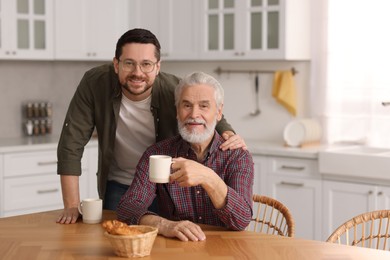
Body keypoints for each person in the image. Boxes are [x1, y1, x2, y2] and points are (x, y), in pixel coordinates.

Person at [56, 28, 247, 224]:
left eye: (146, 64)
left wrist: (229, 134)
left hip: (166, 185)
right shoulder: (95, 84)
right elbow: (71, 144)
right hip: (118, 183)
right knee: (121, 240)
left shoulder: (173, 88)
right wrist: (71, 205)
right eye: (129, 63)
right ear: (116, 64)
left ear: (157, 67)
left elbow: (205, 110)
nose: (137, 73)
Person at [117, 71, 254, 242]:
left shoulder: (237, 156)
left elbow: (241, 220)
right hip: (175, 248)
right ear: (177, 111)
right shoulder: (157, 154)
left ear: (219, 112)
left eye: (204, 106)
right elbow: (127, 208)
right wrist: (165, 225)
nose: (194, 114)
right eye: (187, 105)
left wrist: (208, 177)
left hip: (225, 250)